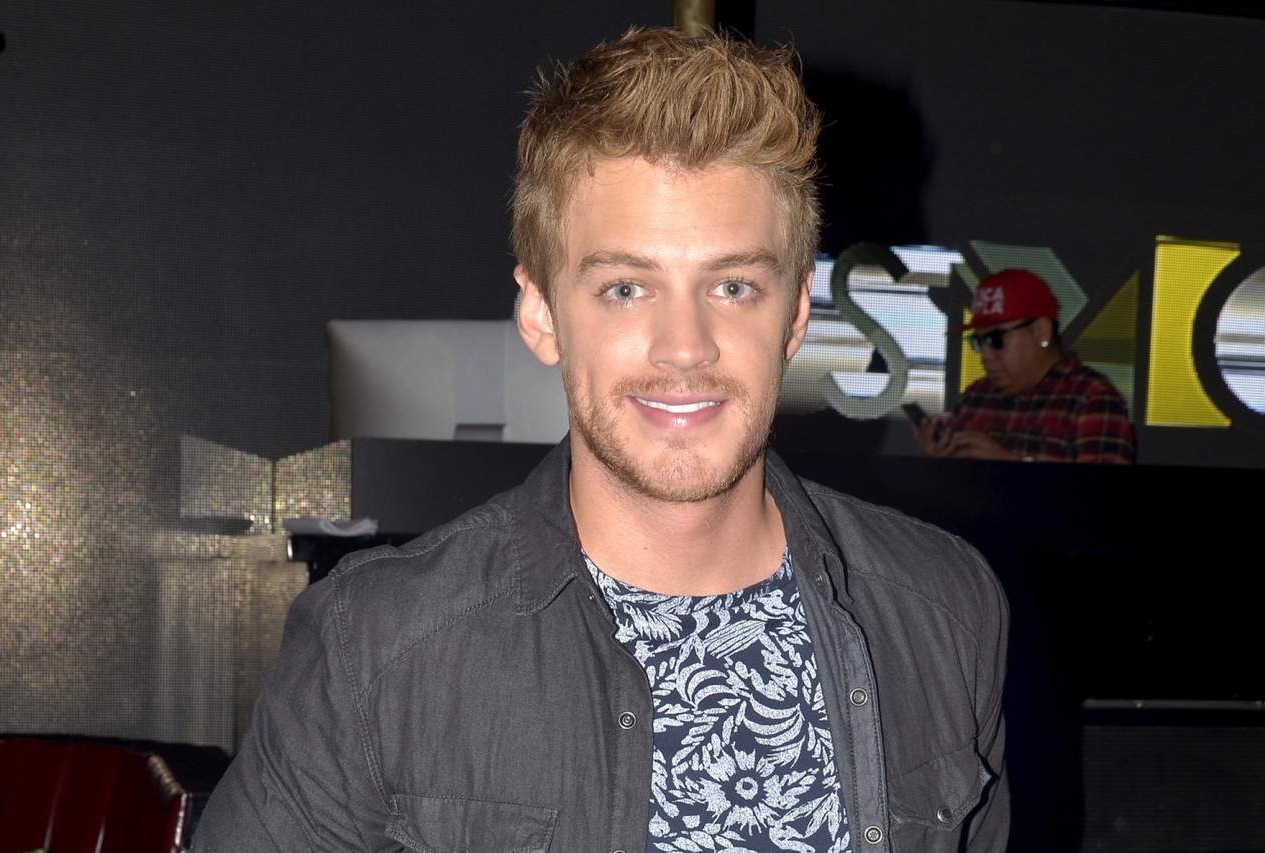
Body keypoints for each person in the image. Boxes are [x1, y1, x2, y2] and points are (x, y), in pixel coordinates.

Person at [195, 28, 1009, 852]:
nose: (684, 347)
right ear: (542, 313)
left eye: (733, 286)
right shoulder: (375, 647)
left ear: (795, 313)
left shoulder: (944, 608)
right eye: (625, 288)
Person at [915, 268, 1136, 464]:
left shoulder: (1092, 399)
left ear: (1041, 331)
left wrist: (1012, 465)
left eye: (995, 340)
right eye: (978, 342)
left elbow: (1102, 495)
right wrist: (938, 460)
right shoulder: (977, 397)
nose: (985, 356)